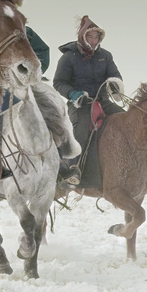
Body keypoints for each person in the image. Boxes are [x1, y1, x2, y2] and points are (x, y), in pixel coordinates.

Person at [53, 15, 125, 180]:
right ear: (83, 37)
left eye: (96, 37)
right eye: (90, 36)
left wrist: (114, 85)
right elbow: (59, 82)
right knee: (81, 132)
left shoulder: (105, 56)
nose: (93, 40)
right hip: (80, 104)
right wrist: (73, 94)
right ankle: (73, 170)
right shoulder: (68, 57)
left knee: (125, 120)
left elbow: (114, 75)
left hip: (103, 101)